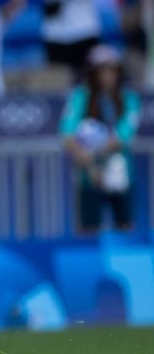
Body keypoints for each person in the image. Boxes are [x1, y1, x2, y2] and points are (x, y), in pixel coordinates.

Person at [60, 45, 140, 233]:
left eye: (112, 70)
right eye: (102, 70)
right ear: (93, 73)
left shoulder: (129, 98)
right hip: (89, 176)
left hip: (121, 174)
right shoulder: (80, 96)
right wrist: (86, 161)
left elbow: (124, 134)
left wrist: (93, 152)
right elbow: (67, 132)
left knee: (125, 229)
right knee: (89, 231)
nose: (107, 76)